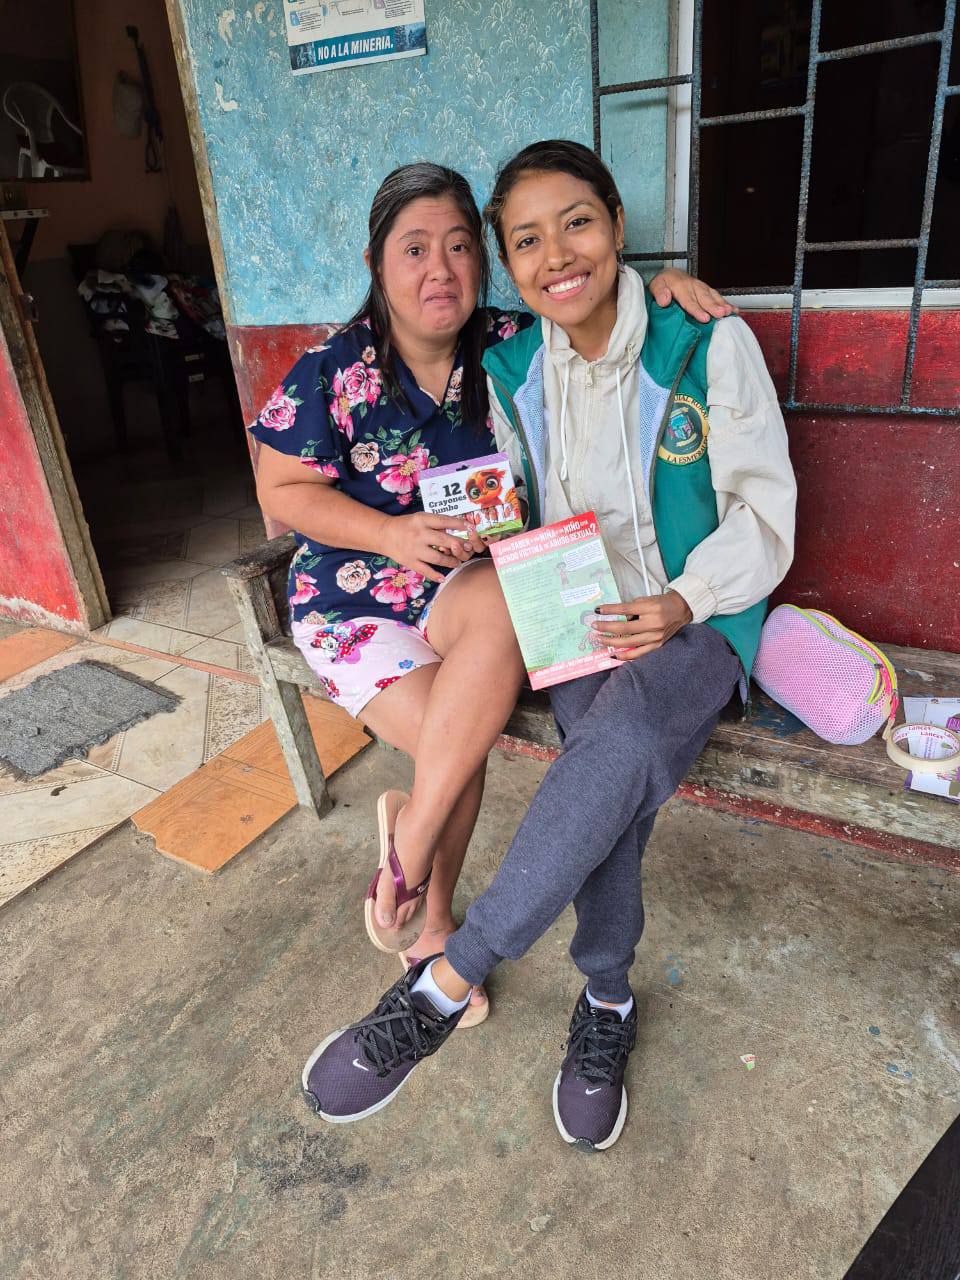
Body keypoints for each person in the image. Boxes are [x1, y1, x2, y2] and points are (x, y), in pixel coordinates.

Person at [300, 141, 797, 1149]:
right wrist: (485, 534)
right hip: (574, 612)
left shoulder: (705, 342)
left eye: (577, 223)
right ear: (511, 266)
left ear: (617, 223)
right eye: (526, 241)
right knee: (606, 773)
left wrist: (686, 601)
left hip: (701, 617)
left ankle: (445, 984)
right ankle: (606, 996)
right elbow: (518, 498)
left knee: (620, 740)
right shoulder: (512, 363)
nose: (556, 254)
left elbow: (766, 512)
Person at [252, 160, 733, 1029]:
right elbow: (279, 489)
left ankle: (410, 848)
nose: (440, 270)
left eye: (459, 247)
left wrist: (661, 288)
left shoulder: (511, 343)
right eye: (414, 250)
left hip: (467, 588)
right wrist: (391, 535)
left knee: (498, 631)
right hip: (357, 598)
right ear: (376, 264)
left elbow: (594, 302)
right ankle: (434, 919)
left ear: (483, 262)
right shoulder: (335, 370)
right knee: (459, 736)